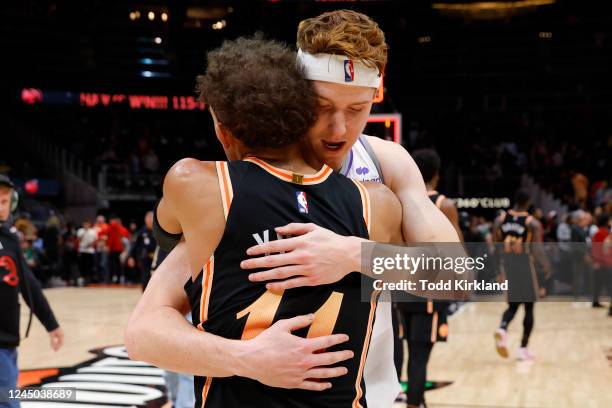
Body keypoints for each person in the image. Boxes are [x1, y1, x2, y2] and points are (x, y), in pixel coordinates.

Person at [135, 10, 463, 408]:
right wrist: (246, 360)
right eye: (322, 106)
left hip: (364, 395)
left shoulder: (386, 164)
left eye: (357, 110)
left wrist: (352, 255)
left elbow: (455, 277)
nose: (339, 129)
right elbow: (146, 328)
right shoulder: (231, 181)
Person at [393, 148, 462, 407]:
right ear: (436, 174)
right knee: (420, 354)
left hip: (400, 285)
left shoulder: (398, 200)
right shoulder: (444, 204)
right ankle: (415, 402)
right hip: (429, 290)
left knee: (403, 348)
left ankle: (408, 399)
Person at [0, 174, 64, 408]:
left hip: (8, 341)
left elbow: (29, 286)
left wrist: (51, 324)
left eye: (5, 201)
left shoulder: (9, 240)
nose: (0, 207)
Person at [493, 190, 549, 361]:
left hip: (508, 265)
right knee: (529, 307)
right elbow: (537, 249)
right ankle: (523, 348)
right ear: (529, 202)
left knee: (513, 305)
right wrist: (546, 266)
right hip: (525, 265)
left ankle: (502, 328)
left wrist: (497, 271)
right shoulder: (532, 223)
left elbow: (496, 247)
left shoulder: (500, 219)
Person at [127, 211, 157, 290]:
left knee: (156, 278)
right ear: (145, 220)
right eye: (148, 218)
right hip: (145, 259)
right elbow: (134, 246)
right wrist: (130, 257)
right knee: (145, 278)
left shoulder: (158, 231)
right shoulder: (141, 232)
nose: (150, 220)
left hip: (157, 258)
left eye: (151, 218)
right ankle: (145, 296)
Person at [591, 214, 612, 315]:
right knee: (608, 286)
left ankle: (595, 302)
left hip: (601, 263)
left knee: (598, 284)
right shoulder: (603, 233)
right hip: (605, 263)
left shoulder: (598, 232)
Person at [77, 219, 97, 285]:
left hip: (90, 250)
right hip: (82, 250)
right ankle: (83, 278)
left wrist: (91, 244)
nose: (86, 225)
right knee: (82, 265)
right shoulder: (80, 231)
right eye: (85, 224)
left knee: (90, 265)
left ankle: (89, 278)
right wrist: (84, 232)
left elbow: (95, 240)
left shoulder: (93, 231)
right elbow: (79, 239)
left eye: (87, 224)